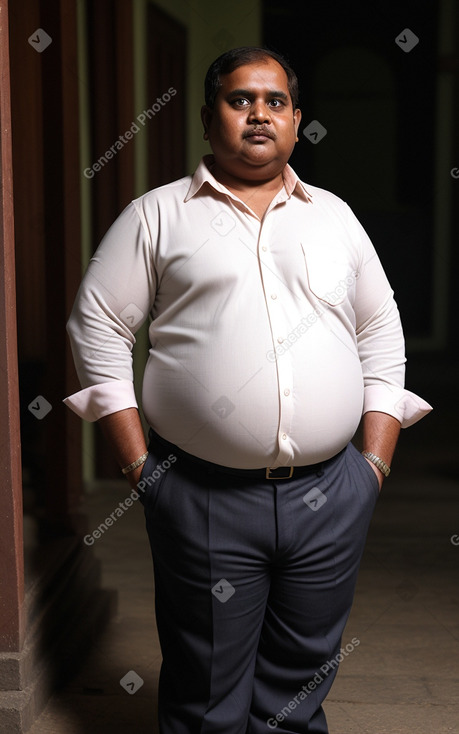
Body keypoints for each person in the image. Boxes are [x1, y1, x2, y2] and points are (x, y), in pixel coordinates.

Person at [65, 47, 432, 734]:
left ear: (295, 121)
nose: (258, 112)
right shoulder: (157, 217)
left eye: (274, 101)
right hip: (201, 496)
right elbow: (97, 327)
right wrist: (139, 467)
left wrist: (372, 465)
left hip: (330, 494)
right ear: (210, 120)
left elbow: (380, 332)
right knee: (206, 690)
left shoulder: (334, 218)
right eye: (240, 100)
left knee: (300, 680)